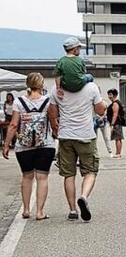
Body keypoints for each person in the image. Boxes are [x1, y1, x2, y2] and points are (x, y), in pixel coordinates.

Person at [48, 79, 107, 222]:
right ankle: (84, 197)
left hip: (66, 136)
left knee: (69, 174)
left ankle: (72, 210)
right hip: (86, 136)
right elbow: (100, 111)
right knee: (90, 171)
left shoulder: (57, 89)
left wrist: (56, 127)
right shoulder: (91, 87)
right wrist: (102, 102)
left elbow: (53, 114)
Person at [1, 73, 56, 220]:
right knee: (42, 177)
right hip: (45, 144)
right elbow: (53, 121)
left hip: (24, 145)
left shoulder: (18, 102)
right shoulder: (48, 101)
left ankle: (26, 210)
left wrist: (6, 145)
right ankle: (39, 212)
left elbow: (13, 125)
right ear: (41, 85)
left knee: (27, 176)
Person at [106, 89, 125, 159]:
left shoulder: (115, 103)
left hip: (116, 123)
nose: (109, 96)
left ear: (115, 95)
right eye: (109, 94)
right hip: (117, 123)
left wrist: (112, 124)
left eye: (110, 94)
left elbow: (115, 114)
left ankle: (118, 153)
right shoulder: (114, 103)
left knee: (118, 138)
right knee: (117, 138)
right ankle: (118, 152)